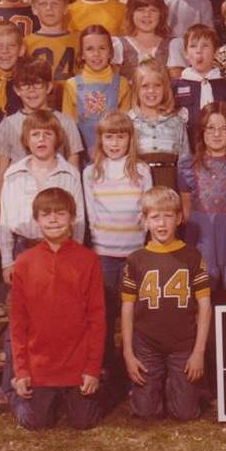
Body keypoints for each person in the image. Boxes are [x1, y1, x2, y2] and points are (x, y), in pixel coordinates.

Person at [0, 111, 85, 400]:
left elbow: (80, 219)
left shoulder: (69, 173)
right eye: (35, 134)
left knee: (60, 315)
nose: (42, 139)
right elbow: (6, 220)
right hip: (25, 249)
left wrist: (76, 256)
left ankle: (59, 382)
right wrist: (7, 260)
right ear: (26, 139)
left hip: (61, 249)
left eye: (47, 134)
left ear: (57, 138)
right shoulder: (14, 173)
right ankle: (12, 383)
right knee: (22, 319)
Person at [10, 187, 106, 430]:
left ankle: (83, 393)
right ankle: (15, 393)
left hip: (77, 365)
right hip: (40, 365)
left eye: (60, 214)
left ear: (72, 218)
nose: (53, 219)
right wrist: (22, 371)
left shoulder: (88, 260)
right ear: (37, 220)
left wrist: (92, 369)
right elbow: (18, 322)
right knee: (36, 422)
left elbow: (97, 318)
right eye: (46, 214)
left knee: (84, 422)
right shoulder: (24, 262)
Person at [121, 186, 212, 420]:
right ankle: (152, 391)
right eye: (154, 217)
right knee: (145, 412)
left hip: (183, 344)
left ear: (179, 218)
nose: (161, 224)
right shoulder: (135, 260)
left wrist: (198, 352)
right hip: (147, 344)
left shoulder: (192, 256)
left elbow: (204, 306)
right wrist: (128, 353)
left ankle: (183, 389)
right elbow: (128, 308)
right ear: (144, 221)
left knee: (185, 413)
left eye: (168, 216)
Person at [83, 111, 153, 387]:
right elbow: (90, 214)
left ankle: (133, 369)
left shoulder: (141, 171)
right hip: (104, 255)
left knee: (135, 313)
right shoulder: (91, 172)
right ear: (100, 139)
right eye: (109, 137)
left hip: (134, 254)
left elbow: (147, 212)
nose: (115, 143)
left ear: (129, 139)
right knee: (106, 314)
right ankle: (104, 368)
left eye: (121, 137)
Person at [178, 102, 226, 301]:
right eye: (210, 128)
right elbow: (186, 210)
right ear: (201, 130)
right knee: (201, 295)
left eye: (223, 128)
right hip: (201, 238)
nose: (217, 134)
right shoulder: (187, 166)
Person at [0, 56, 83, 200]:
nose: (31, 91)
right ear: (16, 89)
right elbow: (0, 172)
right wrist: (2, 210)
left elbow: (74, 170)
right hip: (19, 199)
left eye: (37, 84)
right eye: (25, 85)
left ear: (49, 87)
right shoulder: (7, 125)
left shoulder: (66, 123)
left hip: (56, 201)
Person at [62, 24, 131, 160]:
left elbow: (126, 127)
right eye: (89, 49)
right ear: (82, 54)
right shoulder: (72, 85)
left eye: (102, 48)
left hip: (115, 154)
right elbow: (68, 127)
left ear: (111, 52)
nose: (96, 54)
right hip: (83, 154)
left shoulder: (122, 84)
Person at [127, 59, 191, 189]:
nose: (151, 91)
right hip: (139, 188)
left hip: (170, 186)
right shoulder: (128, 122)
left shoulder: (177, 121)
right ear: (136, 89)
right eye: (145, 86)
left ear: (166, 88)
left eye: (157, 85)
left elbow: (185, 161)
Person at [172, 24, 226, 144]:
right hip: (187, 147)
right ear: (185, 53)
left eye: (205, 46)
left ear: (216, 52)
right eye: (193, 46)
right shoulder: (176, 86)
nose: (199, 51)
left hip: (219, 147)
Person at [24, 0, 78, 104]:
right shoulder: (26, 43)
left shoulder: (78, 41)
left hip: (72, 103)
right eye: (43, 4)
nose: (49, 8)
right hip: (39, 105)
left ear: (65, 9)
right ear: (34, 9)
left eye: (55, 3)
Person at [117, 0, 172, 82]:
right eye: (140, 10)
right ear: (131, 13)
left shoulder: (172, 45)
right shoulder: (119, 45)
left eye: (153, 10)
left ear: (161, 14)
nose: (147, 15)